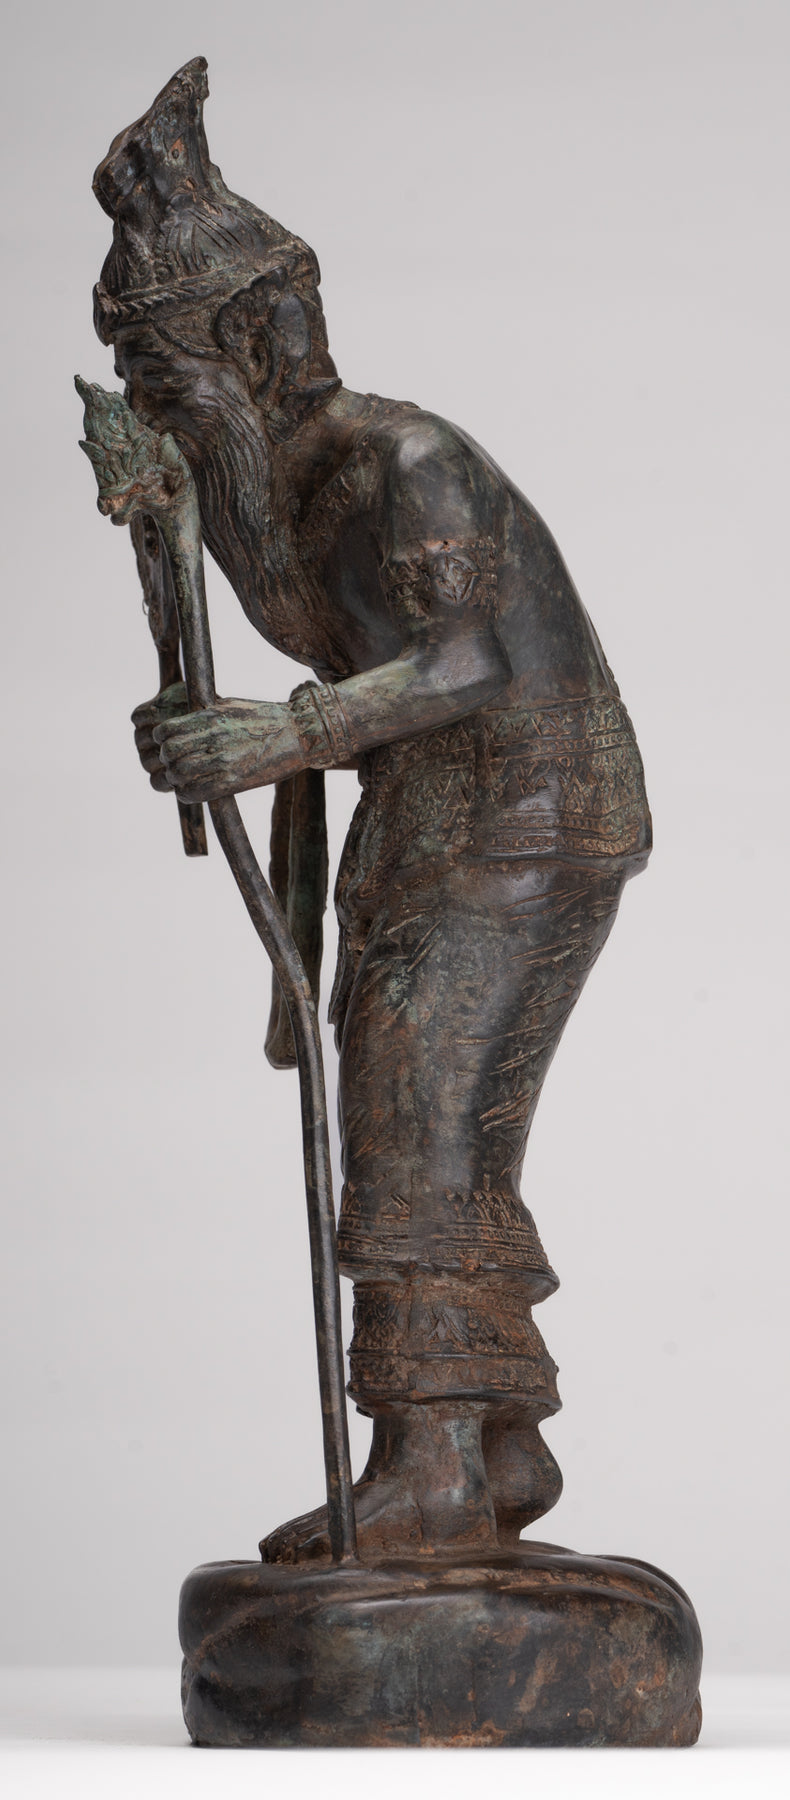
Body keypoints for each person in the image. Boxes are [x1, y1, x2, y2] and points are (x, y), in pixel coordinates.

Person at [94, 58, 651, 1562]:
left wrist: (278, 733)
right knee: (428, 1112)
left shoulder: (409, 463)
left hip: (529, 810)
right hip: (431, 811)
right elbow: (347, 685)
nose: (150, 400)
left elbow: (466, 664)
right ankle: (497, 1444)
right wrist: (234, 736)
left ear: (254, 339)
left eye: (161, 368)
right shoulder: (277, 495)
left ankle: (429, 1461)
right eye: (133, 376)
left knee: (410, 1112)